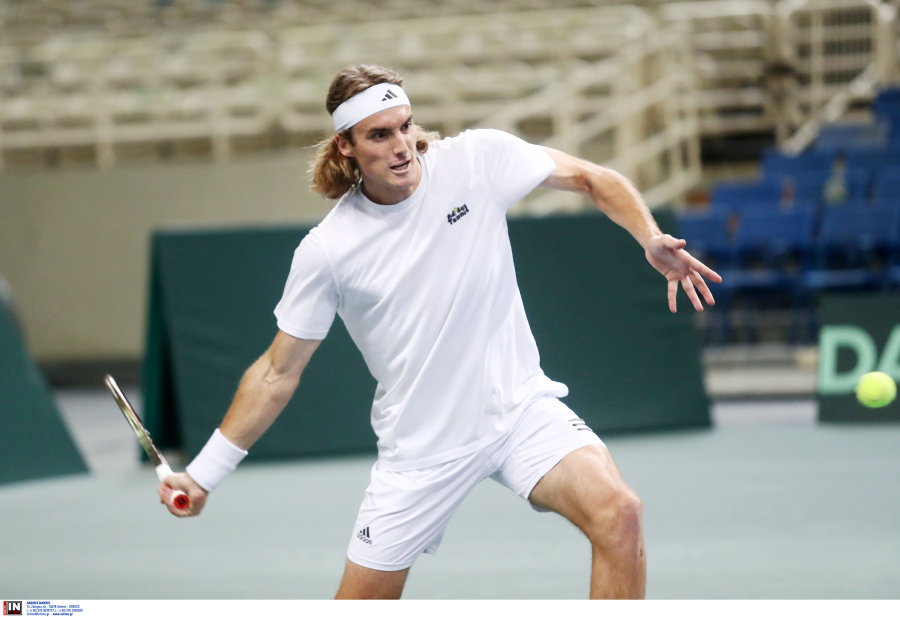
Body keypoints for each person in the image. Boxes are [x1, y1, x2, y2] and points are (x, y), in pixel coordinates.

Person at [158, 64, 721, 600]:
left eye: (405, 126)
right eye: (380, 135)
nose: (402, 145)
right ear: (345, 146)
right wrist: (203, 474)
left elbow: (593, 178)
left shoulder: (477, 160)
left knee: (620, 513)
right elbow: (276, 374)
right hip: (421, 448)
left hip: (518, 411)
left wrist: (648, 237)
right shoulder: (328, 250)